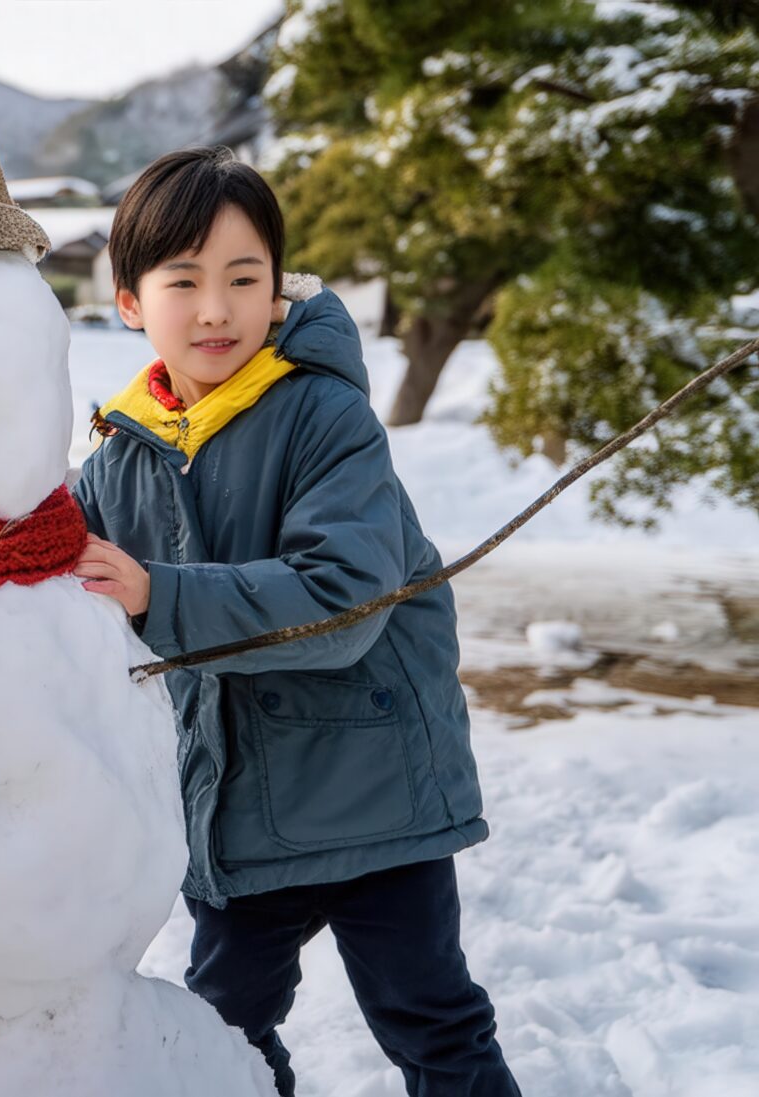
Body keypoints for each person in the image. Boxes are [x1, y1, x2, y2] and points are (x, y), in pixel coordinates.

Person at [72, 145, 521, 1097]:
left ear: (277, 290)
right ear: (129, 301)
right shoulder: (116, 461)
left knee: (432, 1021)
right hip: (236, 817)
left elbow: (343, 600)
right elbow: (32, 567)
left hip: (378, 801)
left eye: (244, 278)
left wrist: (159, 595)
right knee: (222, 1034)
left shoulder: (326, 417)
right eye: (184, 280)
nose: (215, 308)